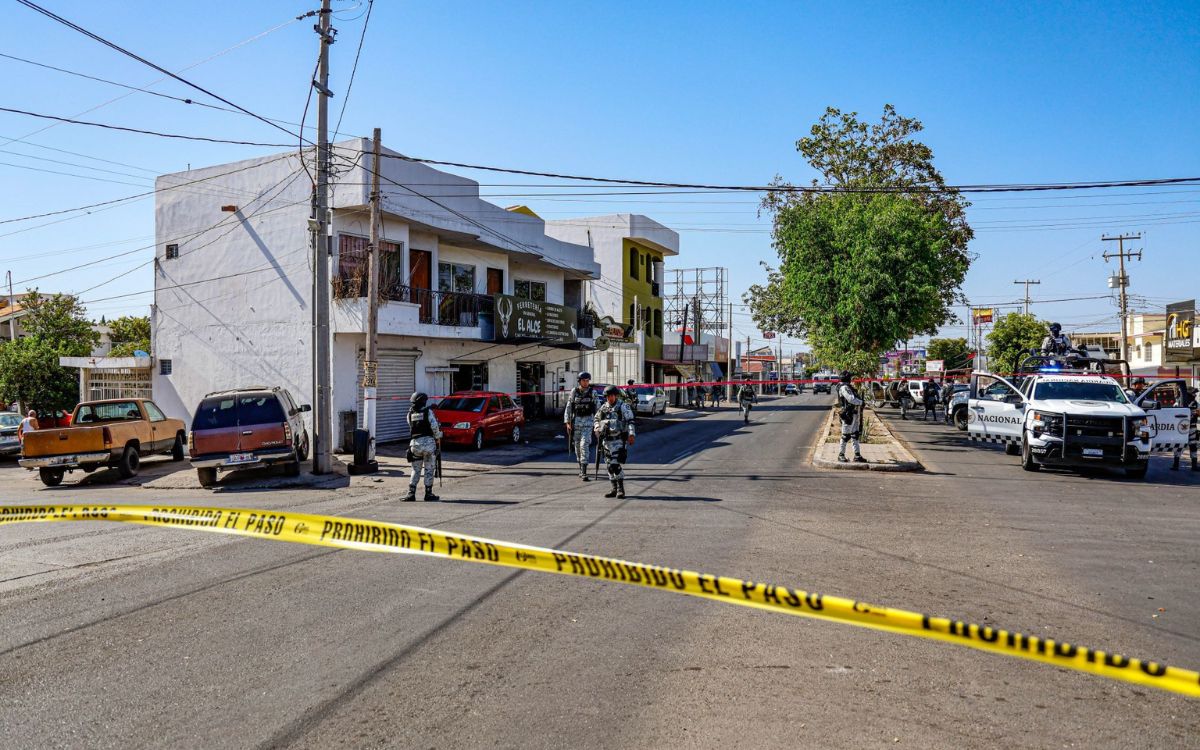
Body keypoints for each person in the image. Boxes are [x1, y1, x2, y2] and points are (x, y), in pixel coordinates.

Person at [594, 385, 636, 498]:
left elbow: (630, 420)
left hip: (618, 441)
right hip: (606, 441)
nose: (610, 398)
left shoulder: (623, 406)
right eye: (608, 396)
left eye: (612, 395)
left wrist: (631, 434)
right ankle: (614, 488)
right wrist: (597, 428)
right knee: (609, 466)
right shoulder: (603, 408)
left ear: (616, 395)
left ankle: (621, 489)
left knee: (614, 465)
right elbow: (596, 419)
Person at [403, 392, 441, 502]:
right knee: (429, 469)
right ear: (423, 401)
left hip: (415, 445)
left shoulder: (409, 414)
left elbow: (411, 427)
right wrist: (438, 436)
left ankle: (411, 493)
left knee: (415, 469)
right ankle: (428, 494)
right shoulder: (428, 412)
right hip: (428, 445)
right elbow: (434, 427)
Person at [563, 372, 598, 481]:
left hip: (588, 423)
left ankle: (584, 471)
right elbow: (569, 407)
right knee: (577, 447)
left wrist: (598, 424)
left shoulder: (593, 392)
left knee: (584, 445)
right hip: (576, 423)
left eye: (588, 380)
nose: (586, 382)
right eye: (584, 380)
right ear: (579, 381)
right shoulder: (574, 392)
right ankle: (580, 467)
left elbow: (598, 408)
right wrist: (567, 422)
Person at [836, 371, 867, 463]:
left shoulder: (847, 386)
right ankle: (841, 455)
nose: (851, 379)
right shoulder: (844, 387)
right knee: (845, 435)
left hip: (853, 413)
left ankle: (857, 455)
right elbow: (851, 399)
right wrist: (861, 402)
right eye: (850, 377)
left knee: (855, 434)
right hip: (847, 414)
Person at [1171, 386, 1198, 472]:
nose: (1194, 395)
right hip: (1183, 427)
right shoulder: (1179, 403)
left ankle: (1192, 465)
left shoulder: (1194, 403)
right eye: (1193, 393)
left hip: (1187, 427)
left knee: (1190, 445)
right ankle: (1177, 465)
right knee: (1181, 445)